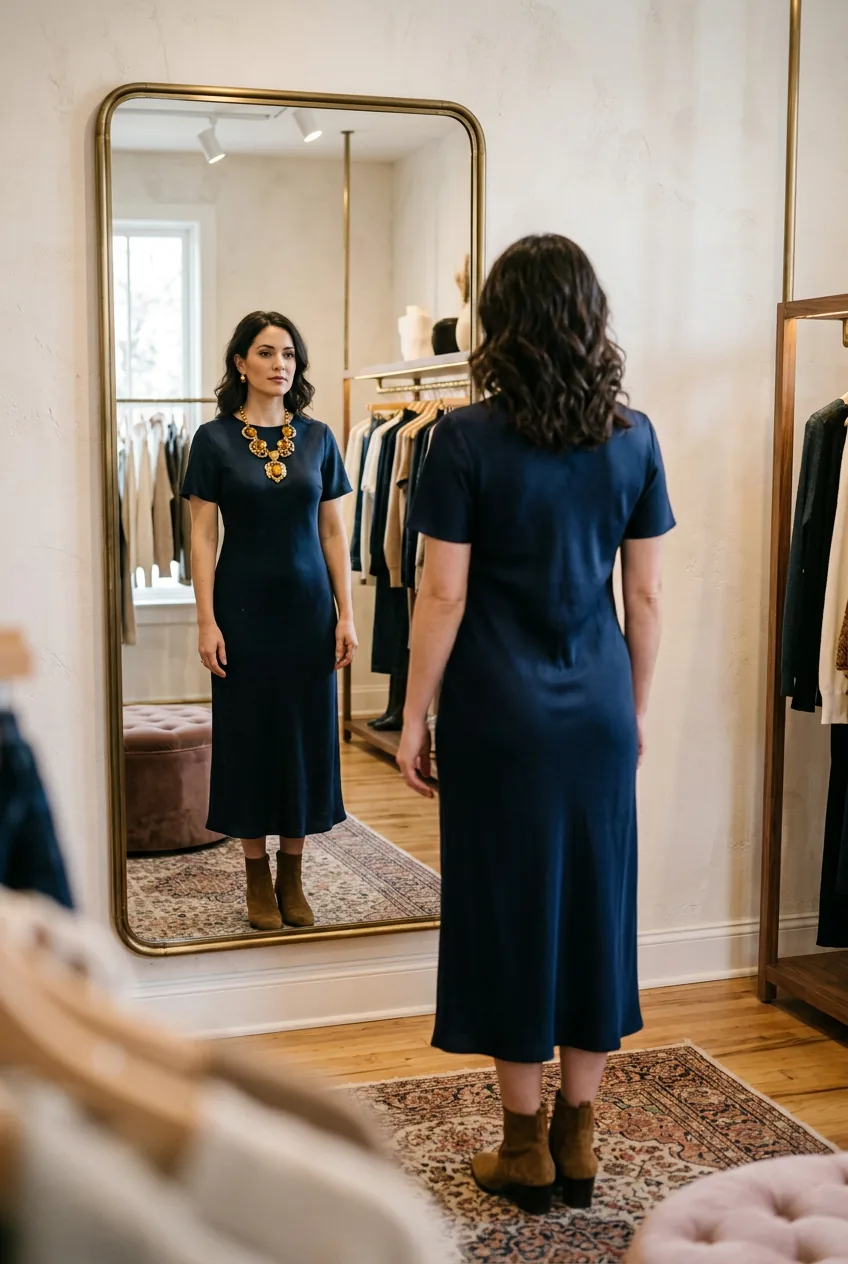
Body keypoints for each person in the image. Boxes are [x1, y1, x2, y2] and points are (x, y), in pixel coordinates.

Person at [397, 235, 674, 1215]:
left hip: (498, 713)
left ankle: (523, 1149)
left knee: (509, 907)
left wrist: (412, 713)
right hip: (595, 706)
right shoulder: (632, 435)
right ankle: (578, 1134)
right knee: (594, 904)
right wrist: (631, 710)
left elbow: (441, 596)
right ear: (587, 318)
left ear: (496, 324)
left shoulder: (460, 438)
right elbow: (642, 601)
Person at [182, 311, 356, 933]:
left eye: (289, 354)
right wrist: (206, 621)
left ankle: (294, 873)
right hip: (243, 612)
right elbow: (202, 538)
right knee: (249, 735)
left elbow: (333, 531)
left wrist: (347, 613)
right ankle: (256, 873)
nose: (281, 364)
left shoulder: (318, 439)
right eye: (266, 353)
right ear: (240, 363)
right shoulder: (213, 440)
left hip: (309, 614)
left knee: (305, 737)